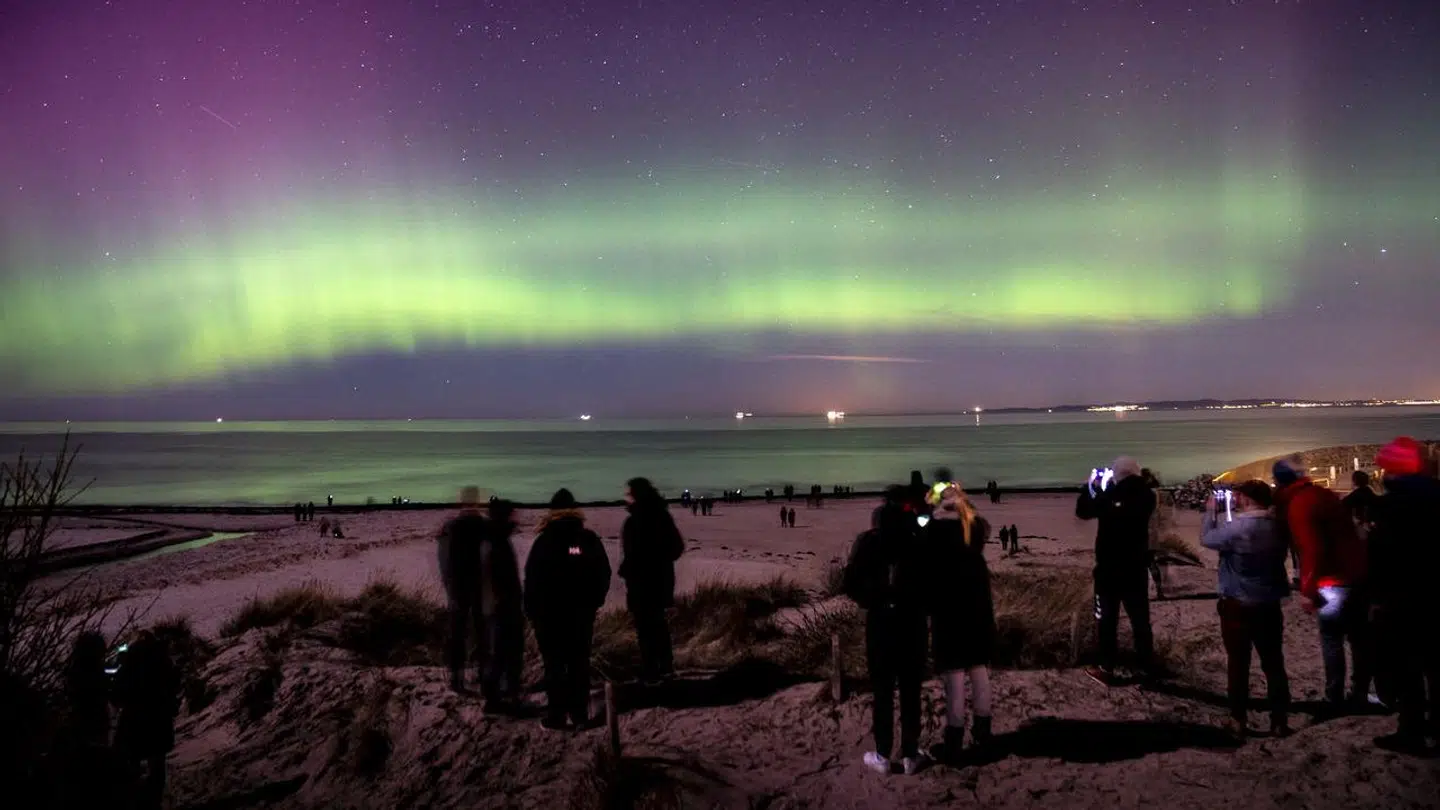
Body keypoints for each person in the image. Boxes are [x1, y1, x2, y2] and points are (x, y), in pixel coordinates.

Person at [843, 486, 930, 776]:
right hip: (912, 621)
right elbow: (934, 582)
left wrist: (872, 600)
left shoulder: (869, 541)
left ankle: (882, 752)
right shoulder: (917, 540)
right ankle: (909, 754)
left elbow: (850, 583)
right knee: (910, 689)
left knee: (882, 690)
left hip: (881, 620)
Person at [1273, 458, 1371, 712]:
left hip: (1332, 580)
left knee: (1331, 637)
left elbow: (1312, 549)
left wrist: (1307, 590)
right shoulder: (1322, 494)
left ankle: (1334, 695)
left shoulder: (1299, 505)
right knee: (1359, 638)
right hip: (1357, 574)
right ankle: (1360, 690)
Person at [1200, 480, 1292, 738]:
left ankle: (1238, 718)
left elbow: (1207, 539)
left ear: (1247, 498)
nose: (1236, 499)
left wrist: (1211, 512)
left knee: (1238, 664)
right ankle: (1279, 720)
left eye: (1239, 496)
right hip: (1269, 602)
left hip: (1238, 602)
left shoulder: (1238, 528)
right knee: (1273, 662)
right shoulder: (1279, 527)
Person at [1367, 437, 1440, 754]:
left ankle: (1411, 730)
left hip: (1403, 598)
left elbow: (1382, 557)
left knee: (1407, 667)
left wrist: (1376, 598)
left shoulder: (1390, 506)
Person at [525, 488, 612, 731]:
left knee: (554, 665)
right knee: (578, 664)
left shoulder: (544, 541)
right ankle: (579, 714)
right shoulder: (587, 539)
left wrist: (532, 611)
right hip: (580, 615)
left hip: (549, 616)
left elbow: (532, 580)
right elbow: (602, 573)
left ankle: (557, 715)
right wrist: (595, 601)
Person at [923, 480, 996, 763]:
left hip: (949, 612)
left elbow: (921, 537)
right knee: (980, 673)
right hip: (978, 610)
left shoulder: (936, 532)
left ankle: (954, 738)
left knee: (954, 679)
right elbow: (982, 522)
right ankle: (983, 731)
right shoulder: (974, 530)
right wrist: (961, 498)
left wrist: (931, 503)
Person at [1076, 456, 1159, 684]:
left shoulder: (1110, 496)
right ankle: (1146, 665)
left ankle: (1106, 666)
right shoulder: (1148, 496)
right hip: (1136, 569)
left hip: (1109, 571)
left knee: (1106, 620)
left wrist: (1091, 487)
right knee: (1140, 620)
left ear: (1117, 474)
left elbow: (1083, 510)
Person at [619, 477, 686, 684]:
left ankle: (653, 669)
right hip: (658, 580)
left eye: (628, 493)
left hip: (645, 581)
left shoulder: (638, 520)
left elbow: (673, 548)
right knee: (656, 624)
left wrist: (642, 564)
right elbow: (676, 547)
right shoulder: (661, 516)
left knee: (647, 626)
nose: (625, 497)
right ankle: (663, 667)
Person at [112, 630, 182, 810]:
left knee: (132, 760)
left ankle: (133, 798)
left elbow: (117, 692)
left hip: (134, 720)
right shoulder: (162, 659)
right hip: (159, 718)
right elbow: (174, 683)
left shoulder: (128, 660)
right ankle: (154, 799)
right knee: (157, 763)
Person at [438, 487, 488, 692]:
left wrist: (448, 584)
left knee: (457, 632)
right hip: (482, 587)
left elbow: (444, 558)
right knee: (483, 631)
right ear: (478, 501)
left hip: (458, 586)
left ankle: (456, 677)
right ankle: (484, 674)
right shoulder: (486, 526)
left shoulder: (451, 527)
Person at [479, 499, 525, 711]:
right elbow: (498, 576)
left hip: (498, 605)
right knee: (502, 652)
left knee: (501, 652)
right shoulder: (496, 541)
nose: (516, 519)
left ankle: (501, 695)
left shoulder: (494, 538)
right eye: (512, 515)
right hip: (502, 606)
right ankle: (495, 699)